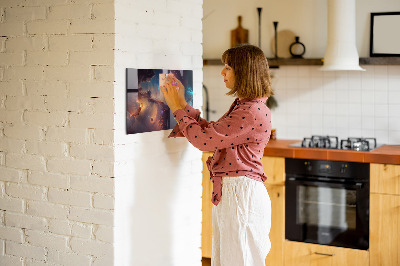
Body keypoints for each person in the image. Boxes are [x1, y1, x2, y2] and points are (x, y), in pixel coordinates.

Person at [161, 44, 273, 266]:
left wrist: (176, 107)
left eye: (228, 67)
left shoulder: (250, 111)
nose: (222, 72)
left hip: (241, 195)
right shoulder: (246, 106)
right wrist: (182, 103)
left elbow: (204, 141)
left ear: (244, 72)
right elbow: (212, 133)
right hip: (236, 193)